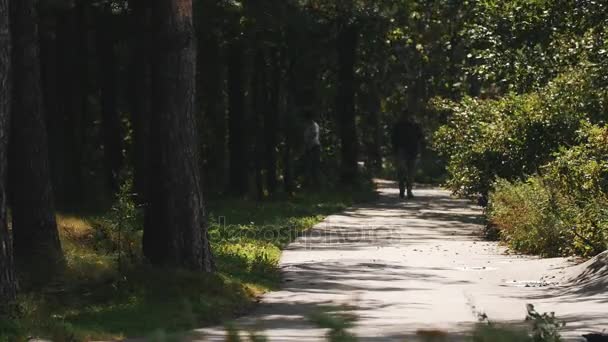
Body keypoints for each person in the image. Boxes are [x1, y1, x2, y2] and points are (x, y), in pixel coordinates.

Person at [391, 116, 424, 199]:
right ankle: (402, 190)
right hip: (402, 150)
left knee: (410, 172)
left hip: (412, 151)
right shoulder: (398, 125)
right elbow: (393, 139)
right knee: (402, 171)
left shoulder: (415, 125)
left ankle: (408, 190)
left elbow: (420, 137)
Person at [302, 113, 321, 186]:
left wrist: (308, 144)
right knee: (308, 166)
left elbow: (314, 134)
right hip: (308, 148)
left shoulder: (314, 125)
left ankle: (316, 184)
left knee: (314, 167)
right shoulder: (307, 126)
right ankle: (309, 184)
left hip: (314, 147)